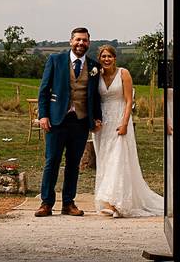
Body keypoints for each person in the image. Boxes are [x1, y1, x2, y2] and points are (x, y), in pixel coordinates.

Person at [36, 27, 102, 217]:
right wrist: (43, 115)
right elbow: (44, 90)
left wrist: (97, 118)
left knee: (74, 163)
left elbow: (95, 96)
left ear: (89, 43)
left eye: (85, 40)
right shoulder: (55, 60)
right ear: (71, 41)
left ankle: (68, 203)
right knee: (52, 161)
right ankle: (46, 203)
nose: (81, 43)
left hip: (80, 121)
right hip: (57, 120)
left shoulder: (93, 66)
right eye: (78, 40)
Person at [93, 45, 164, 217]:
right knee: (105, 160)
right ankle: (107, 199)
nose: (106, 59)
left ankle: (115, 203)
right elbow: (93, 99)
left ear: (115, 58)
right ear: (99, 58)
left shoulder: (123, 73)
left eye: (110, 56)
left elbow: (128, 101)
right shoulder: (96, 75)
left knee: (118, 159)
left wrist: (125, 123)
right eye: (103, 56)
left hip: (120, 118)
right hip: (103, 123)